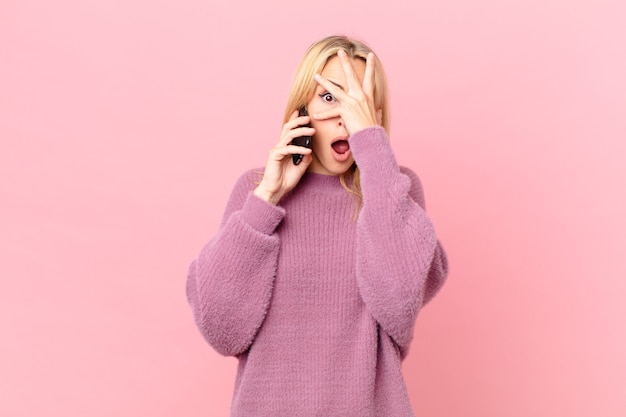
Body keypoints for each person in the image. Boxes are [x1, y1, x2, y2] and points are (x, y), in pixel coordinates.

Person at [186, 35, 449, 416]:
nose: (345, 114)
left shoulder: (393, 192)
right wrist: (266, 199)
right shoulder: (255, 192)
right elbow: (221, 328)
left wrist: (373, 151)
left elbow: (399, 304)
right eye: (329, 97)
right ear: (302, 108)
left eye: (358, 99)